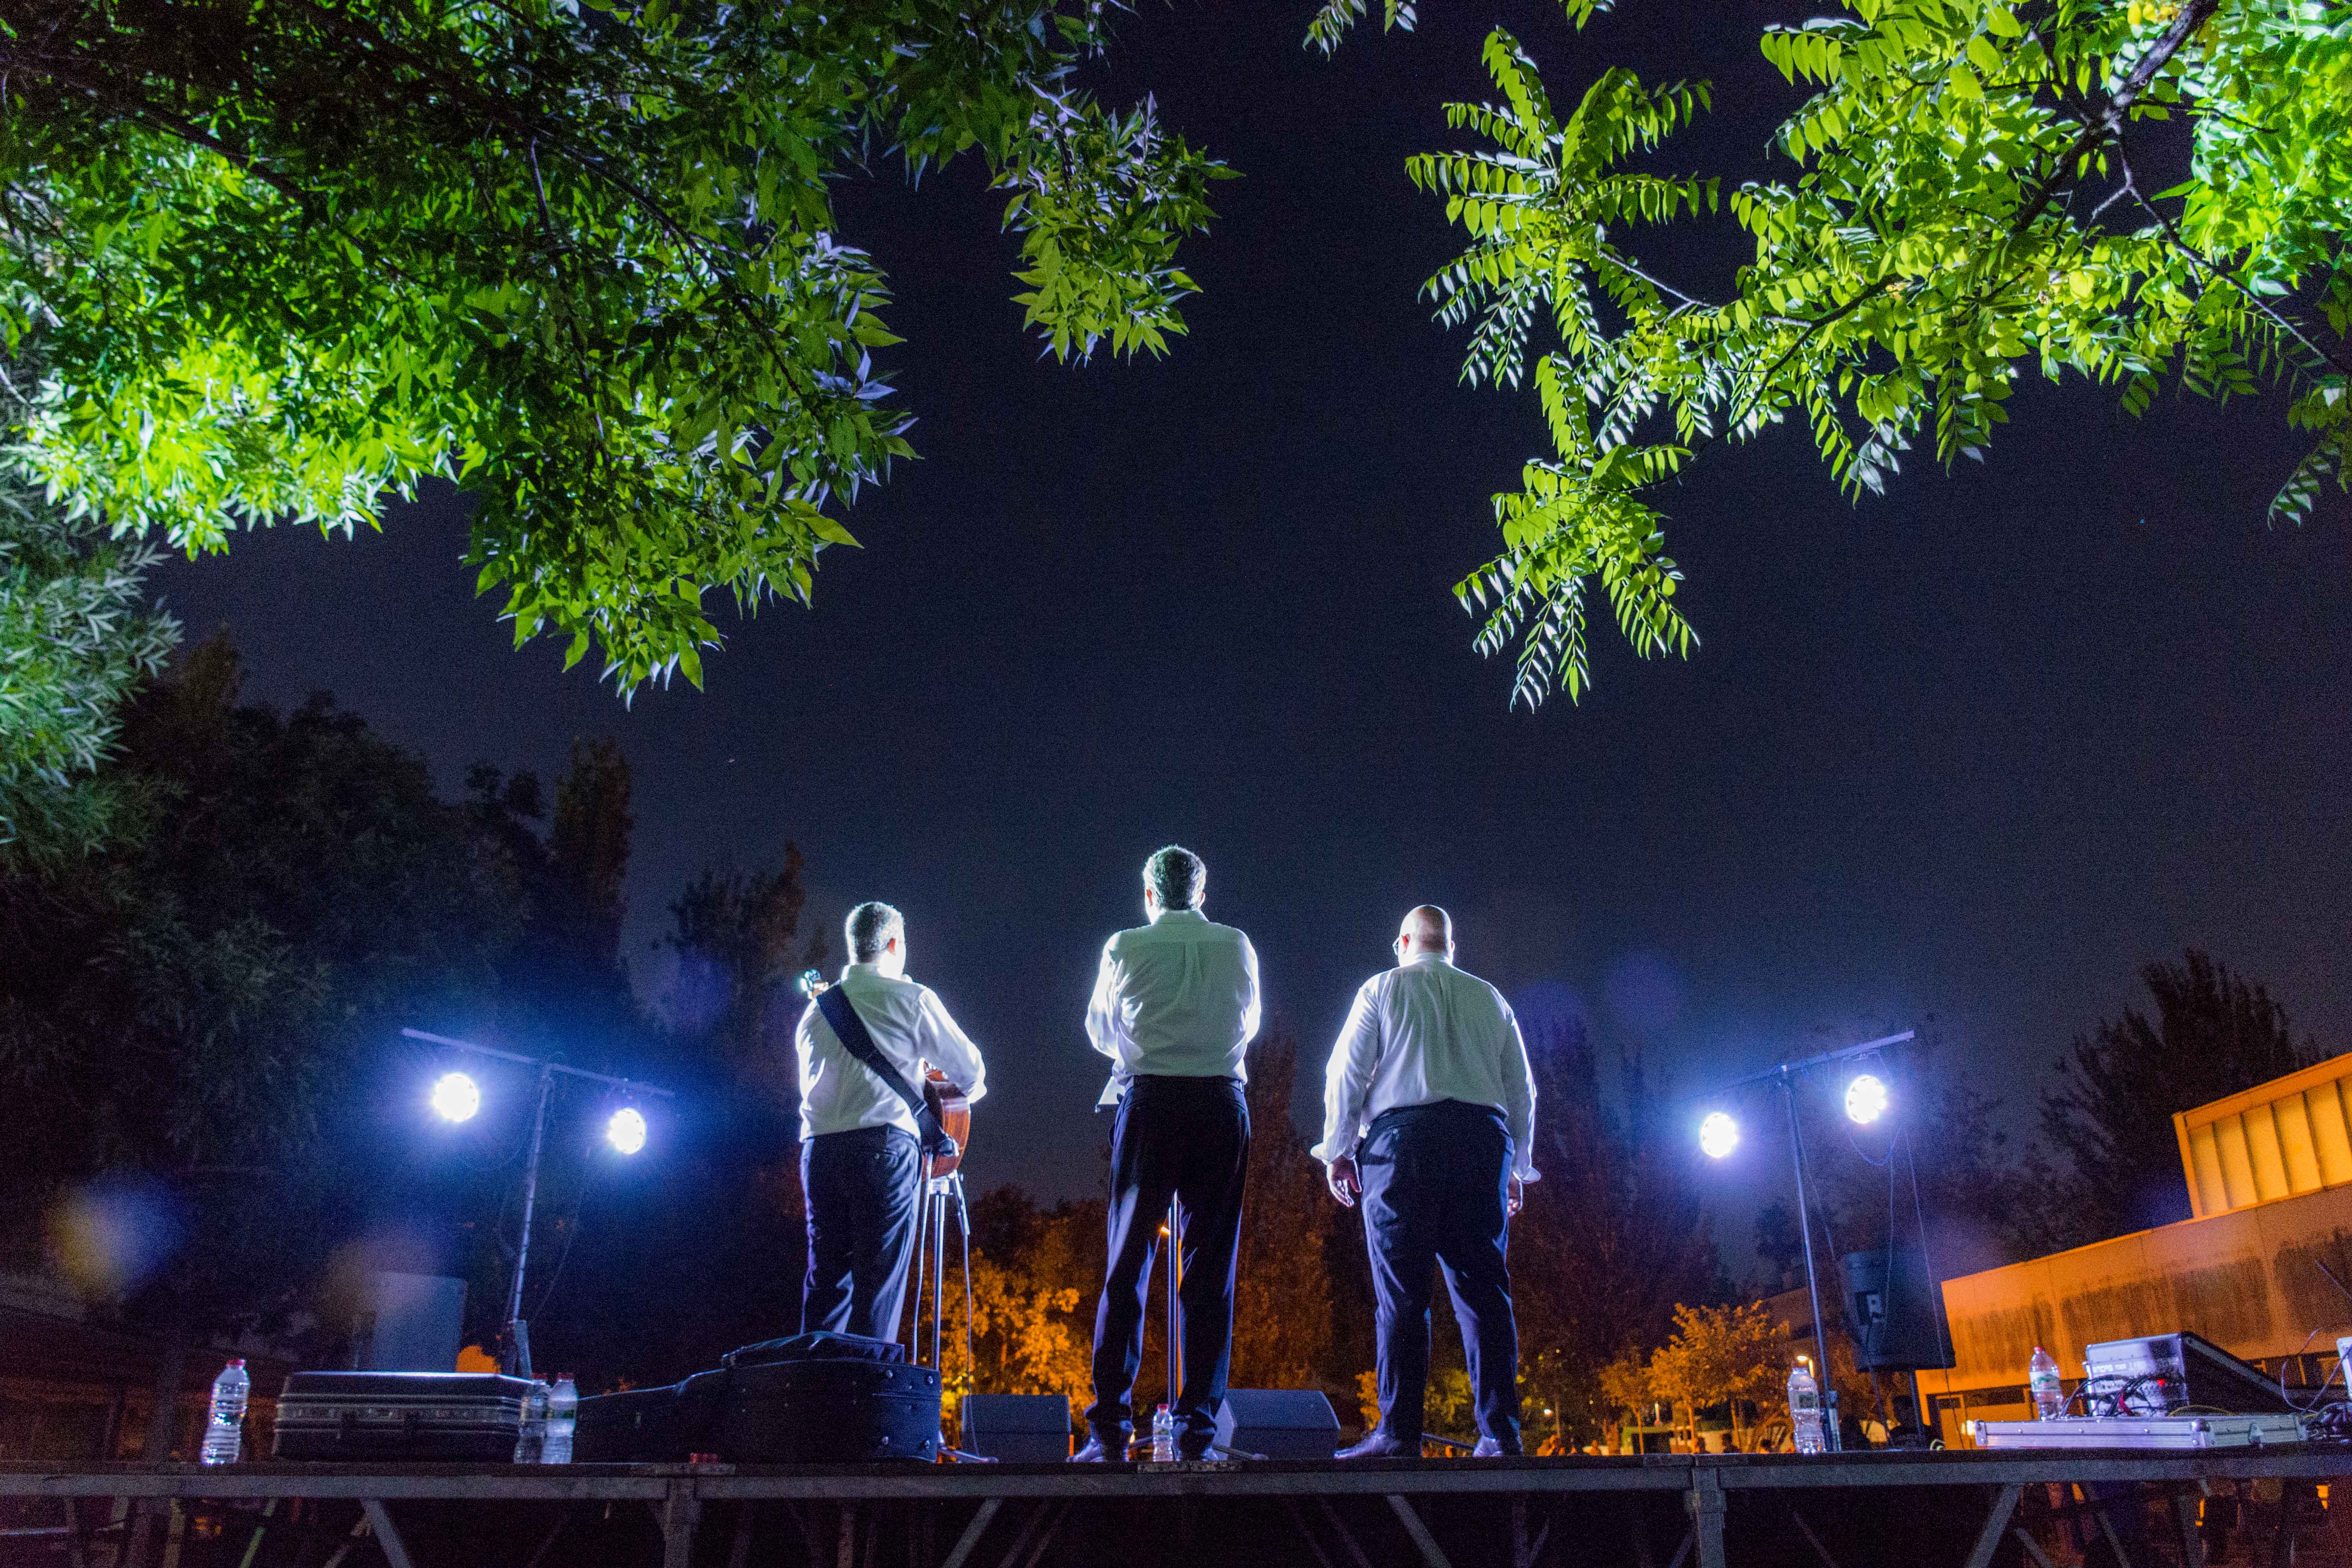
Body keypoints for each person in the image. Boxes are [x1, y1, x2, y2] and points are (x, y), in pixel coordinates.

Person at [1315, 904, 1537, 1458]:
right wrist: (1517, 1166)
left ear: (1403, 943)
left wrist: (1338, 1151)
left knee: (1402, 1293)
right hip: (1481, 1141)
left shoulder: (1381, 989)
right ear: (1451, 948)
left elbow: (1346, 1072)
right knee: (1485, 1292)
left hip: (1403, 1143)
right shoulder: (1490, 998)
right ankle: (1500, 1433)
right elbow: (1522, 1089)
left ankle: (1400, 1433)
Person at [1072, 846, 1261, 1463]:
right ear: (1202, 894)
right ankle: (1198, 1431)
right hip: (1221, 1103)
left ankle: (1109, 1430)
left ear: (1150, 895)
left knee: (1127, 1263)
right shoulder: (1237, 945)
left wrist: (1148, 1042)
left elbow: (1099, 1030)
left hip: (1151, 1101)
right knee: (1211, 1270)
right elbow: (1250, 1023)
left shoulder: (1124, 947)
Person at [795, 901, 986, 1340]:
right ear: (895, 945)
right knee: (877, 1292)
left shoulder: (815, 1013)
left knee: (826, 1287)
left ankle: (812, 1382)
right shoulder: (911, 998)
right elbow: (972, 1075)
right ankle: (865, 1386)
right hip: (882, 1151)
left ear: (854, 946)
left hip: (819, 1154)